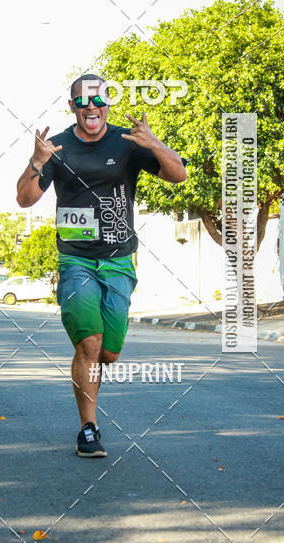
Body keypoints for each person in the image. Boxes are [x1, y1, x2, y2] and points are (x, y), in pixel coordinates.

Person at [16, 74, 187, 458]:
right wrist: (36, 161)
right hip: (76, 259)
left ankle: (94, 383)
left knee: (108, 353)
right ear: (72, 106)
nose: (90, 107)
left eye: (99, 99)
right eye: (81, 101)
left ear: (108, 102)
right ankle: (88, 428)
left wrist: (154, 143)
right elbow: (24, 199)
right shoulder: (56, 148)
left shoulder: (128, 142)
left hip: (119, 261)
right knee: (88, 345)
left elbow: (179, 175)